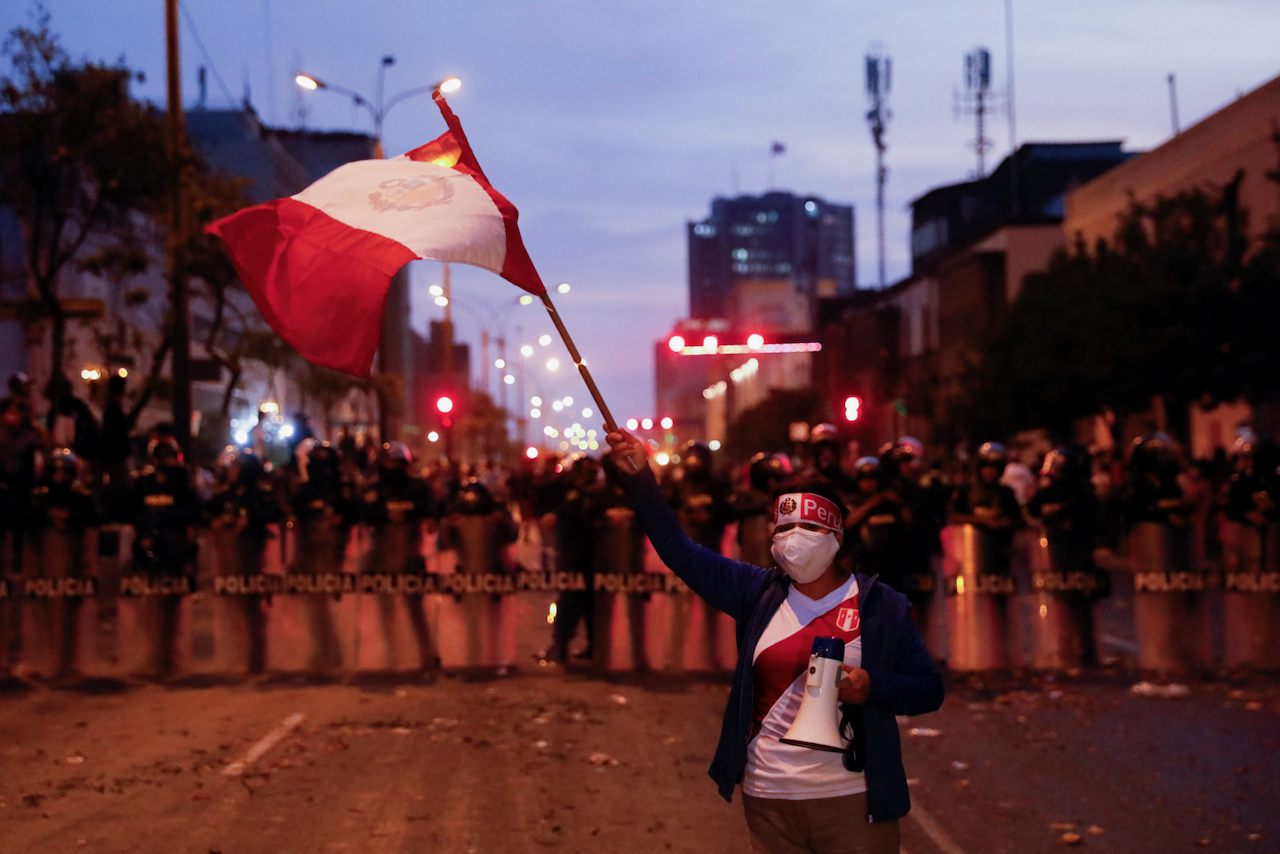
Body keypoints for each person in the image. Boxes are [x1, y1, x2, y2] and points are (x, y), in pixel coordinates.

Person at [605, 428, 943, 854]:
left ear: (836, 535)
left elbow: (929, 688)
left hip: (852, 802)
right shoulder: (755, 591)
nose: (791, 537)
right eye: (783, 525)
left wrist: (873, 687)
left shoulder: (879, 606)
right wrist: (642, 481)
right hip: (769, 804)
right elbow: (679, 551)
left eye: (806, 525)